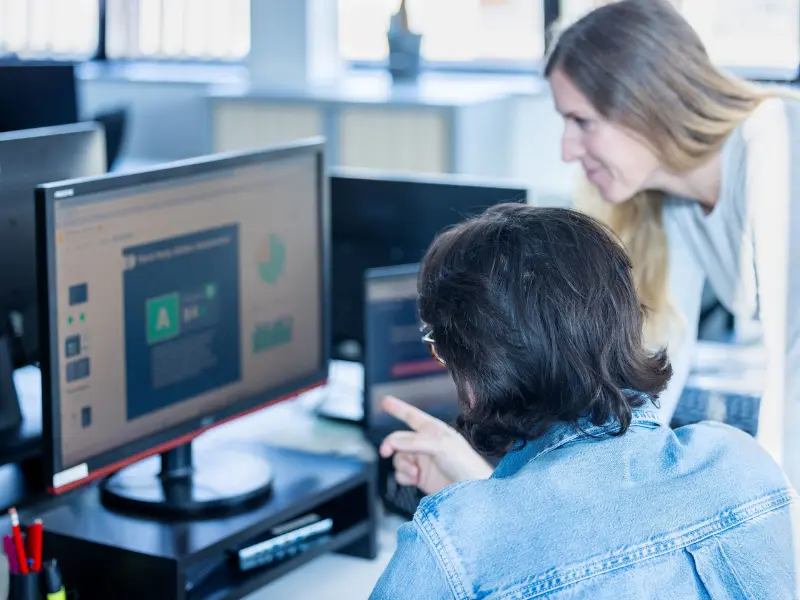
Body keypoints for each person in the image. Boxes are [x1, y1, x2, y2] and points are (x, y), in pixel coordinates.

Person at [379, 0, 800, 503]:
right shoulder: (672, 201)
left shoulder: (774, 142)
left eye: (581, 120)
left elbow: (790, 362)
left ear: (646, 103)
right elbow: (650, 387)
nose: (566, 149)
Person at [371, 203, 799, 599]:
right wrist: (481, 498)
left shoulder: (451, 545)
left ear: (481, 368)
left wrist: (469, 518)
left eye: (441, 349)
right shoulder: (741, 466)